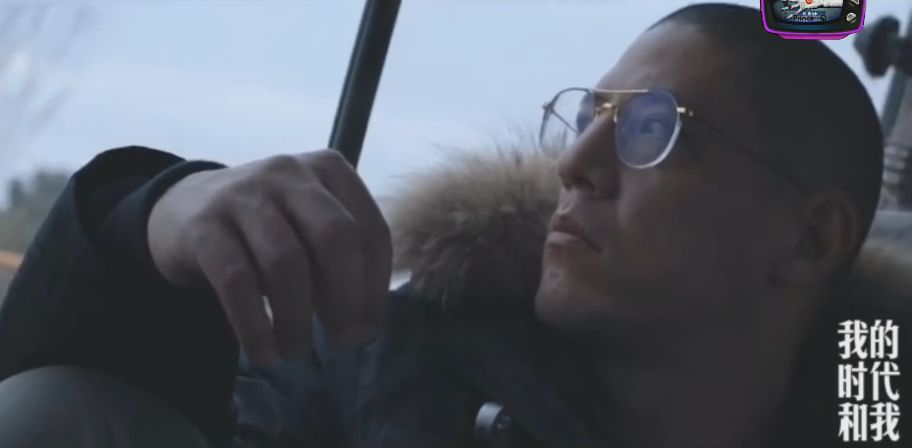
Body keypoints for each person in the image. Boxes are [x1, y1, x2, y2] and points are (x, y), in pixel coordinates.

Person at [0, 3, 909, 448]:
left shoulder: (876, 416)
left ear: (810, 241)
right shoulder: (390, 361)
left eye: (650, 130)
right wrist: (148, 221)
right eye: (585, 116)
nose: (575, 164)